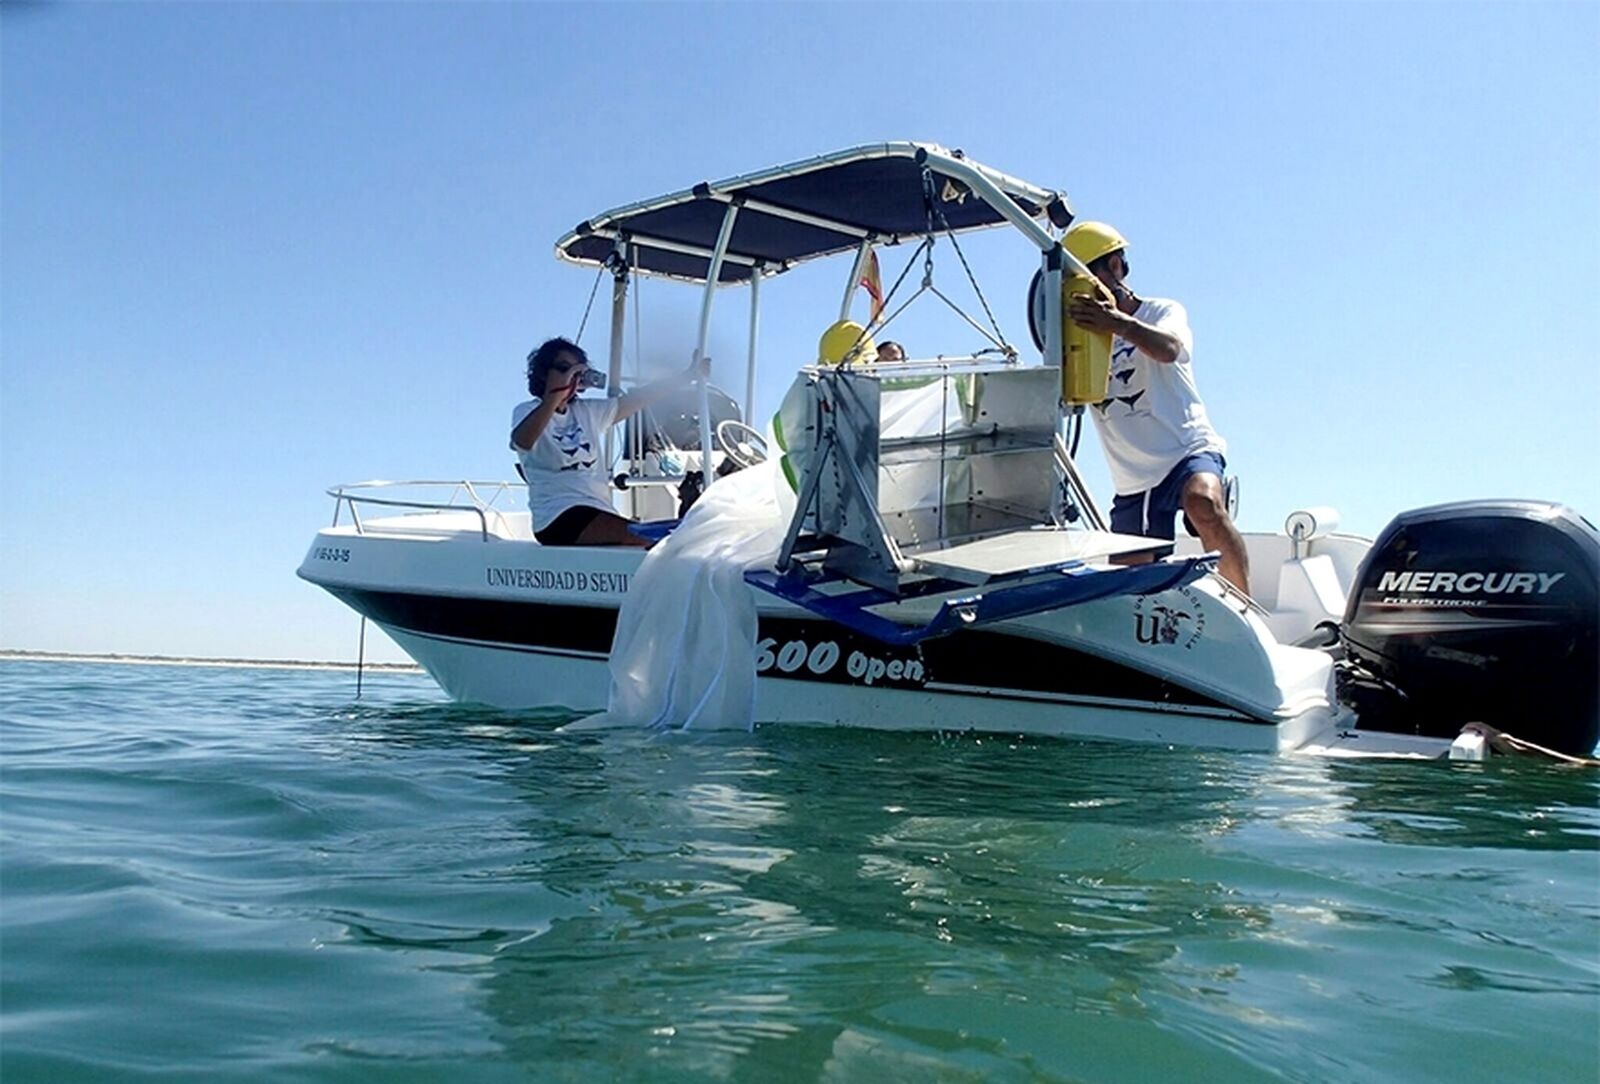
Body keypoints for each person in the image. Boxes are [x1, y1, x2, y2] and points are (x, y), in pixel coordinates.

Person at [1062, 222, 1251, 594]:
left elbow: (1168, 350)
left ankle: (1248, 613)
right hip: (1134, 480)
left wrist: (1117, 323)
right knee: (1129, 589)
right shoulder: (1077, 339)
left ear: (1115, 267)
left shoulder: (1161, 311)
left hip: (1186, 449)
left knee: (1203, 502)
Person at [511, 337, 706, 547]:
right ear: (543, 373)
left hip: (598, 511)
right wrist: (552, 398)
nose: (571, 377)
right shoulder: (528, 412)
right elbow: (523, 441)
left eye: (577, 373)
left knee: (665, 537)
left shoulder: (588, 412)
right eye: (563, 368)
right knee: (653, 537)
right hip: (557, 517)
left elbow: (640, 398)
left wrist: (687, 376)